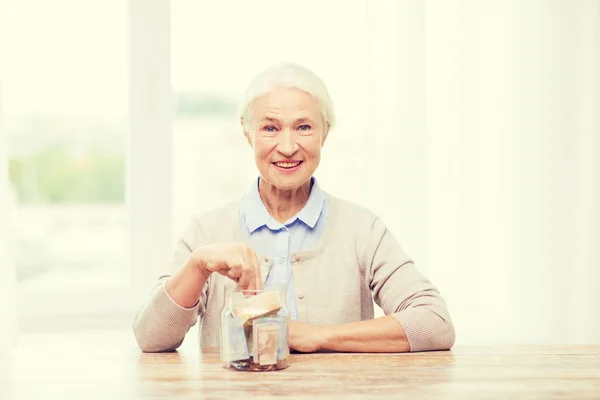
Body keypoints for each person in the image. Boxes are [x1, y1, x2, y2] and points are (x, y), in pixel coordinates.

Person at [133, 63, 455, 353]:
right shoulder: (206, 232)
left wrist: (315, 336)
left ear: (325, 133)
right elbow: (150, 338)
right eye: (270, 128)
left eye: (303, 127)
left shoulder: (363, 230)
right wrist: (198, 267)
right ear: (248, 134)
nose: (287, 148)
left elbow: (434, 323)